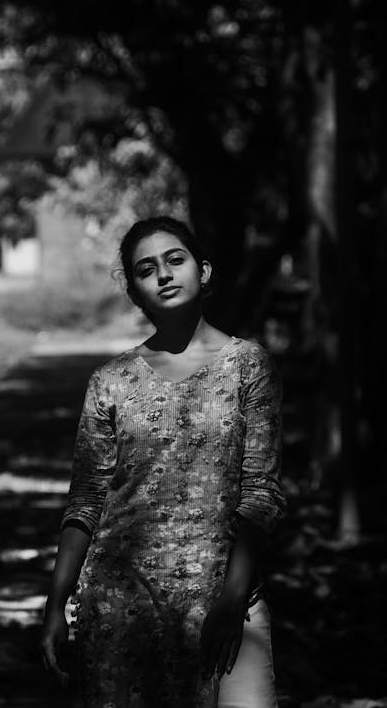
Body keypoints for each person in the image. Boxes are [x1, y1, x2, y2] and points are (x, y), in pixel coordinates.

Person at [41, 216, 287, 708]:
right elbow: (86, 501)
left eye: (176, 261)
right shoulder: (110, 381)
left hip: (229, 603)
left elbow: (261, 491)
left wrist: (233, 595)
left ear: (205, 270)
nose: (164, 275)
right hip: (123, 607)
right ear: (134, 291)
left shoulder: (248, 366)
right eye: (146, 269)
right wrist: (56, 602)